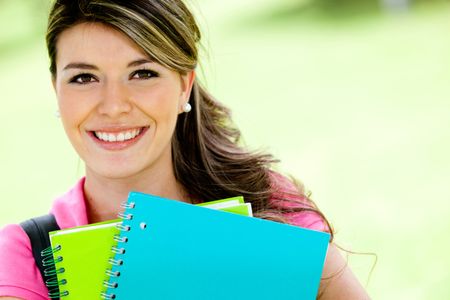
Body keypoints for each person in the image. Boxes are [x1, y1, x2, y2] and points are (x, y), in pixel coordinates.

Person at [0, 0, 369, 299]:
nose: (113, 105)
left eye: (142, 73)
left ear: (184, 85)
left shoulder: (267, 204)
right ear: (56, 90)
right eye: (84, 78)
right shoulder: (22, 255)